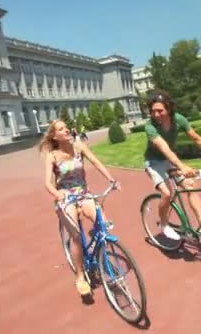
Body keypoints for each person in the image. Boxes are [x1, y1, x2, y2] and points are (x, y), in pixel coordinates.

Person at [40, 119, 118, 296]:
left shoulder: (79, 146)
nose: (66, 130)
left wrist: (111, 179)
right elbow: (47, 183)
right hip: (66, 197)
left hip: (83, 193)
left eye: (66, 127)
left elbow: (96, 162)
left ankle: (97, 248)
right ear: (54, 136)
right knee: (75, 235)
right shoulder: (52, 156)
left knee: (104, 224)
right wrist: (57, 194)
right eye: (61, 129)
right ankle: (80, 276)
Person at [143, 89, 201, 240]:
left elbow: (196, 138)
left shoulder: (179, 119)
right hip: (154, 162)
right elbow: (165, 149)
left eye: (159, 111)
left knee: (190, 185)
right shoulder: (150, 126)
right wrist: (182, 167)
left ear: (168, 107)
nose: (156, 115)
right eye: (152, 111)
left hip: (169, 161)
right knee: (167, 193)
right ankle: (164, 224)